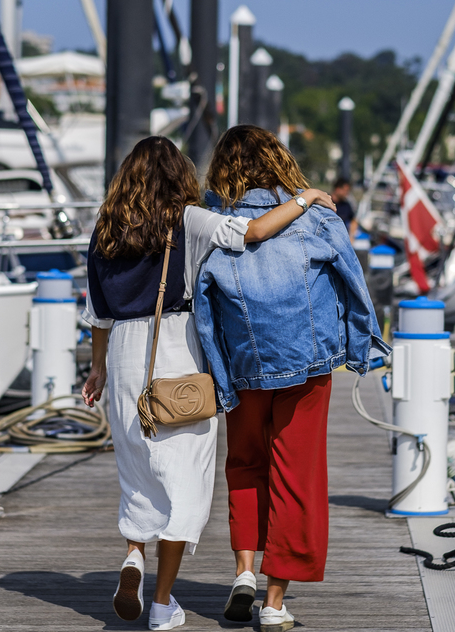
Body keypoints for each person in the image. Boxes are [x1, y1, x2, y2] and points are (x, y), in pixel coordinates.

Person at [80, 136, 336, 631]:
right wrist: (305, 197)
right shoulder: (188, 219)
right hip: (177, 353)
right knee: (185, 482)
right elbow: (255, 232)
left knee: (137, 472)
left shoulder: (106, 228)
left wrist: (97, 368)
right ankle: (161, 605)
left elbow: (97, 312)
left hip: (124, 355)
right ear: (179, 175)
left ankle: (134, 554)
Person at [193, 126, 389, 632]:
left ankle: (243, 572)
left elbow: (203, 311)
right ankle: (275, 601)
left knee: (244, 465)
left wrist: (219, 375)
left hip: (244, 368)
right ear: (280, 161)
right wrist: (363, 346)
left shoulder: (217, 226)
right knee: (296, 476)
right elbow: (353, 284)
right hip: (308, 365)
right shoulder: (319, 216)